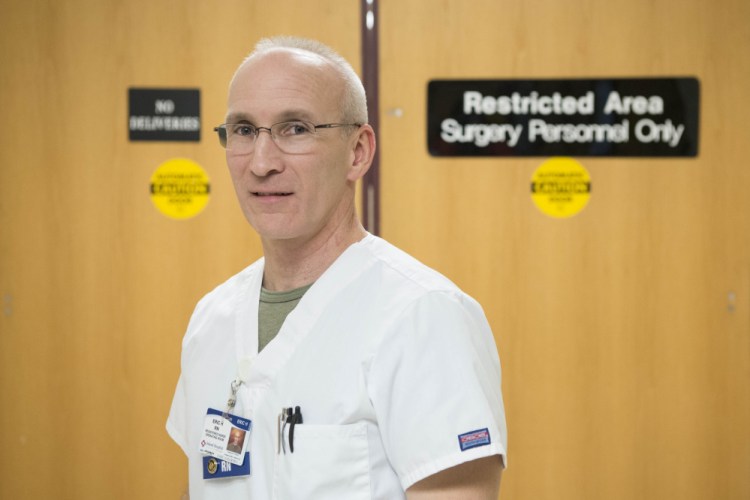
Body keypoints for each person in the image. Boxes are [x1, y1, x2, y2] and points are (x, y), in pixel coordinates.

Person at [167, 35, 507, 499]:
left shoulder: (423, 315)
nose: (262, 163)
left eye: (295, 129)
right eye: (244, 130)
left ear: (358, 152)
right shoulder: (212, 319)